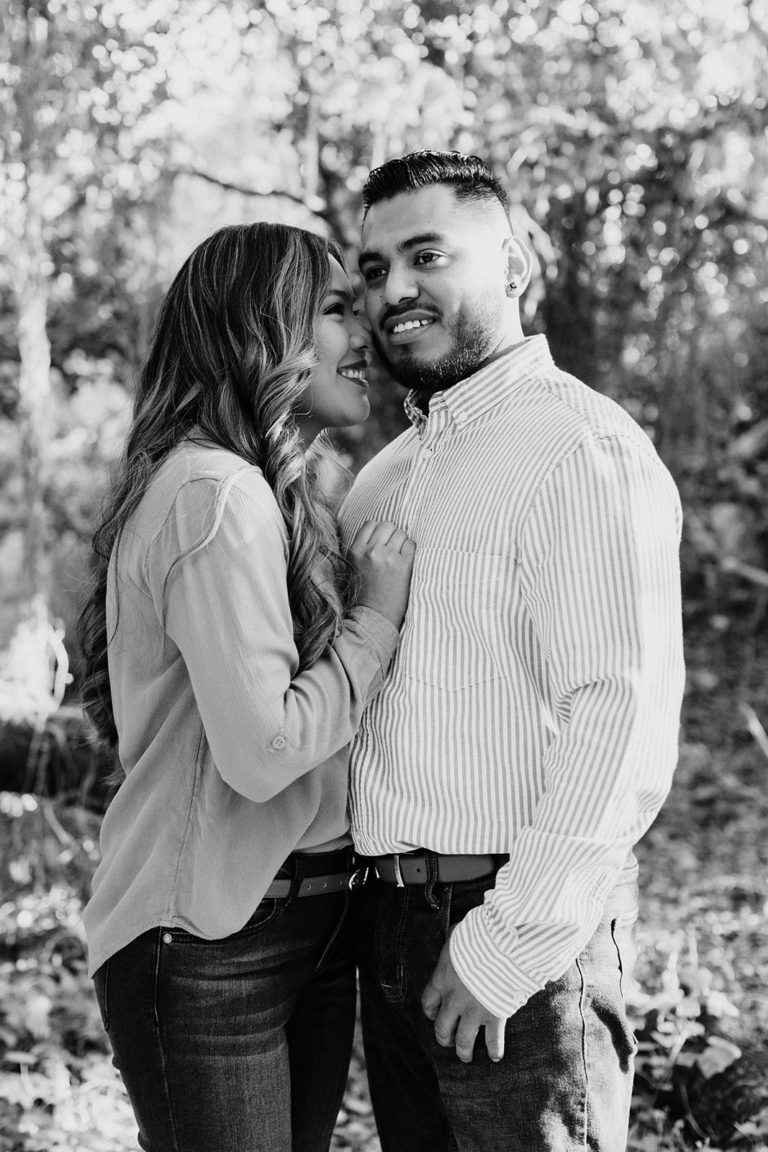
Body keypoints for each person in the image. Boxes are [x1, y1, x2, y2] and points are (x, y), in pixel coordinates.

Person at [338, 151, 685, 1152]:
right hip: (390, 930)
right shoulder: (388, 478)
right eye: (371, 269)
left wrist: (506, 945)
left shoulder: (579, 449)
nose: (394, 289)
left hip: (519, 937)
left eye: (426, 254)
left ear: (514, 265)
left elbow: (619, 719)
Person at [77, 221, 415, 1152]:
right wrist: (375, 621)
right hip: (206, 942)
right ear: (263, 334)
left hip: (305, 918)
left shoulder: (269, 490)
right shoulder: (211, 492)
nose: (367, 334)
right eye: (339, 312)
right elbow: (265, 753)